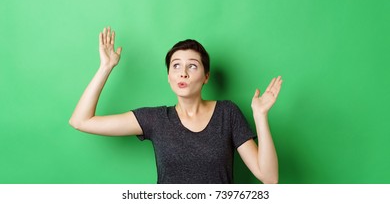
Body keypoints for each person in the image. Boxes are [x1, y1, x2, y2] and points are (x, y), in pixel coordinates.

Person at [69, 27, 283, 184]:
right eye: (176, 65)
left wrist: (260, 116)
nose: (183, 72)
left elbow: (269, 177)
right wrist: (106, 67)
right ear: (169, 76)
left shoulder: (227, 113)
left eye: (193, 66)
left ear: (206, 76)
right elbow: (80, 121)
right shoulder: (155, 119)